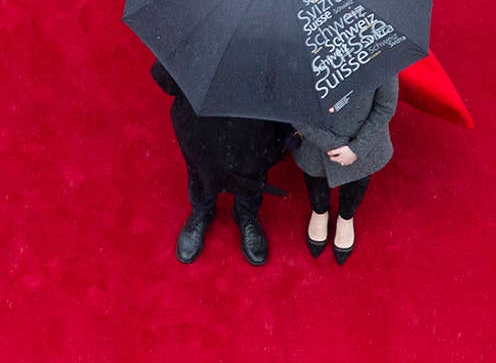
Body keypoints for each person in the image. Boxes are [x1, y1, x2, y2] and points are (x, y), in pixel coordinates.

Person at [150, 60, 291, 266]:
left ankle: (246, 215)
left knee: (251, 175)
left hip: (253, 130)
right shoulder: (198, 37)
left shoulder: (275, 46)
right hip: (200, 127)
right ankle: (202, 211)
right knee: (200, 172)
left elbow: (287, 97)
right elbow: (167, 82)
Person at [292, 79, 398, 265]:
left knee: (357, 180)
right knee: (315, 178)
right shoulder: (298, 57)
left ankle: (346, 216)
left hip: (363, 137)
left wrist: (357, 148)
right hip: (316, 140)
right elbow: (292, 109)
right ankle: (320, 211)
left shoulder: (377, 53)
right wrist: (332, 145)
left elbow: (385, 105)